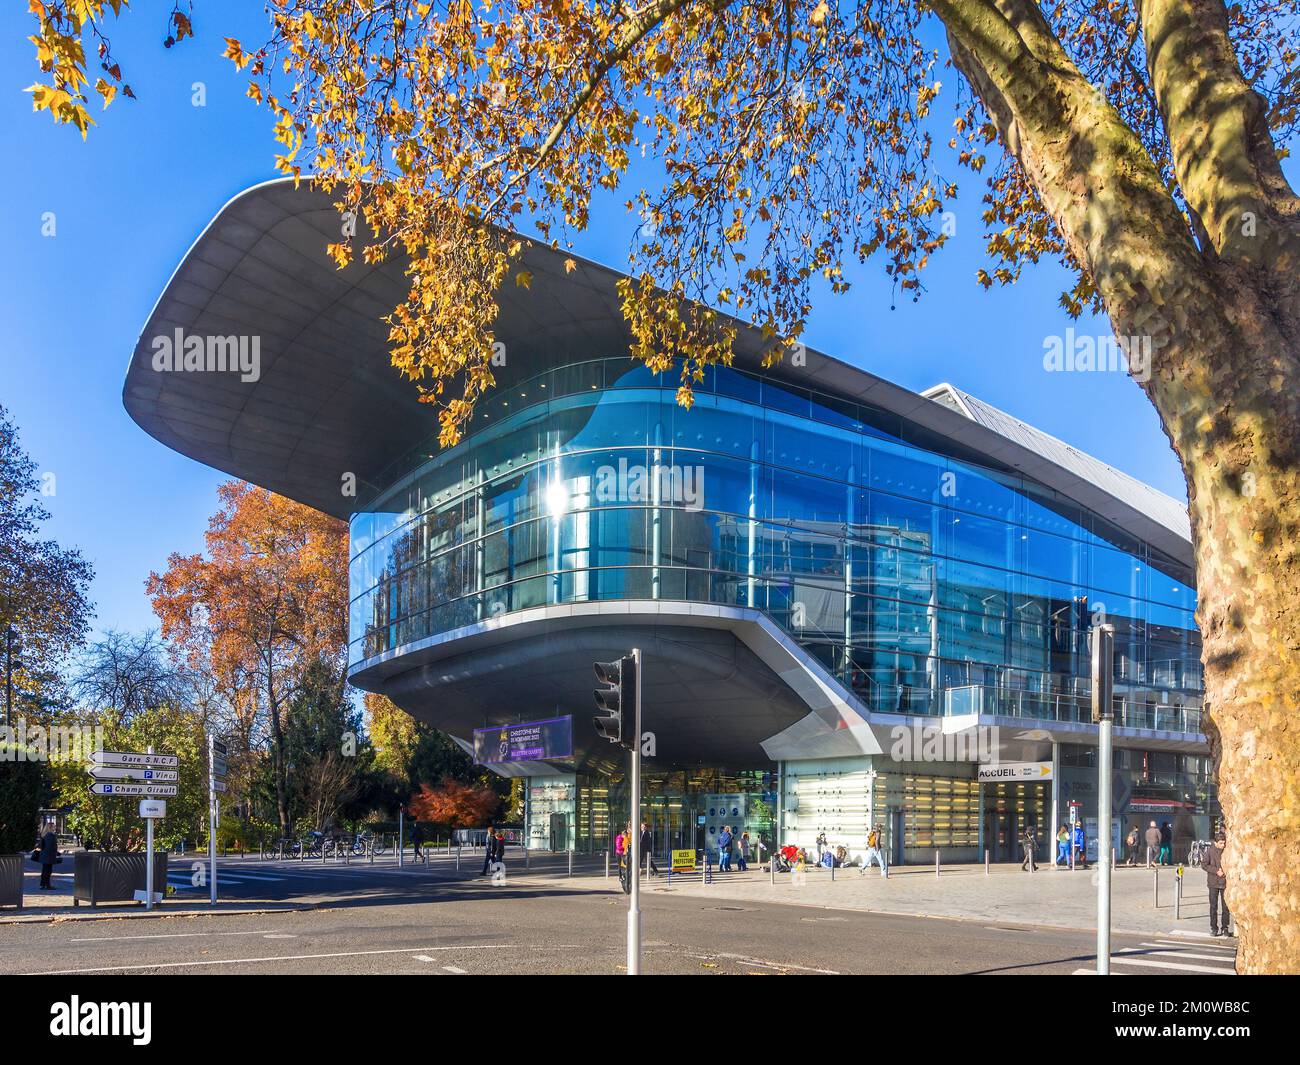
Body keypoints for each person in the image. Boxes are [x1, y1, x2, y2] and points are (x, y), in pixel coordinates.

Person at [1201, 831, 1231, 937]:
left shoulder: (1227, 851)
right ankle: (1214, 928)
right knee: (1213, 907)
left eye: (1224, 843)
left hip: (1225, 883)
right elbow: (1204, 865)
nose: (1223, 845)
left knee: (1226, 907)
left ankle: (1225, 927)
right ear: (1215, 843)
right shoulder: (1209, 851)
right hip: (1213, 883)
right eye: (1221, 843)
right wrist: (1215, 871)